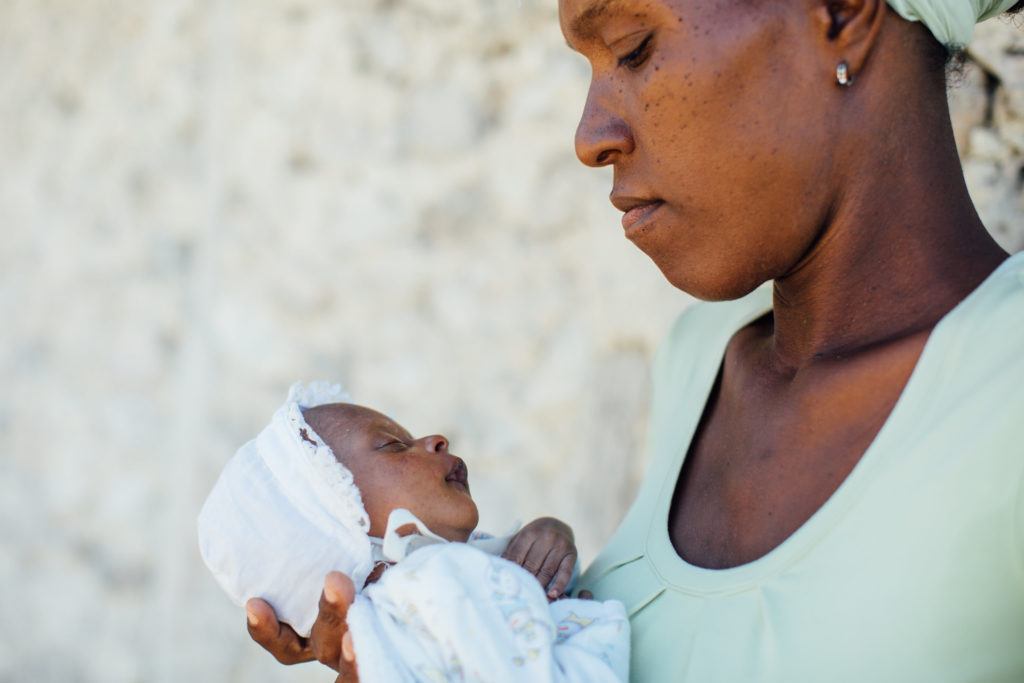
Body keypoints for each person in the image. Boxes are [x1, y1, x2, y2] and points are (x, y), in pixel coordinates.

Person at [247, 1, 1024, 680]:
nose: (589, 137)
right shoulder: (700, 361)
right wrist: (413, 648)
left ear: (842, 10)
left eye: (631, 48)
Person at [200, 383, 629, 682]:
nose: (435, 440)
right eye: (393, 446)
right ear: (340, 527)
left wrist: (547, 540)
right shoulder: (436, 583)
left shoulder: (420, 608)